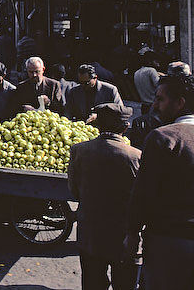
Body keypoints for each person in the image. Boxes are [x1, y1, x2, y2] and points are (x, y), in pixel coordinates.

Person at [127, 74, 194, 290]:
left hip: (169, 241)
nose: (154, 105)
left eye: (160, 99)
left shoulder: (163, 137)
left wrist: (132, 232)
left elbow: (143, 193)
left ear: (180, 103)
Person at [68, 103, 141, 290]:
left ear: (98, 125)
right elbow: (141, 198)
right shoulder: (135, 156)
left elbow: (74, 191)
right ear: (125, 127)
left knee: (93, 282)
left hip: (91, 234)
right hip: (123, 235)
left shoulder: (79, 150)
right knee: (124, 283)